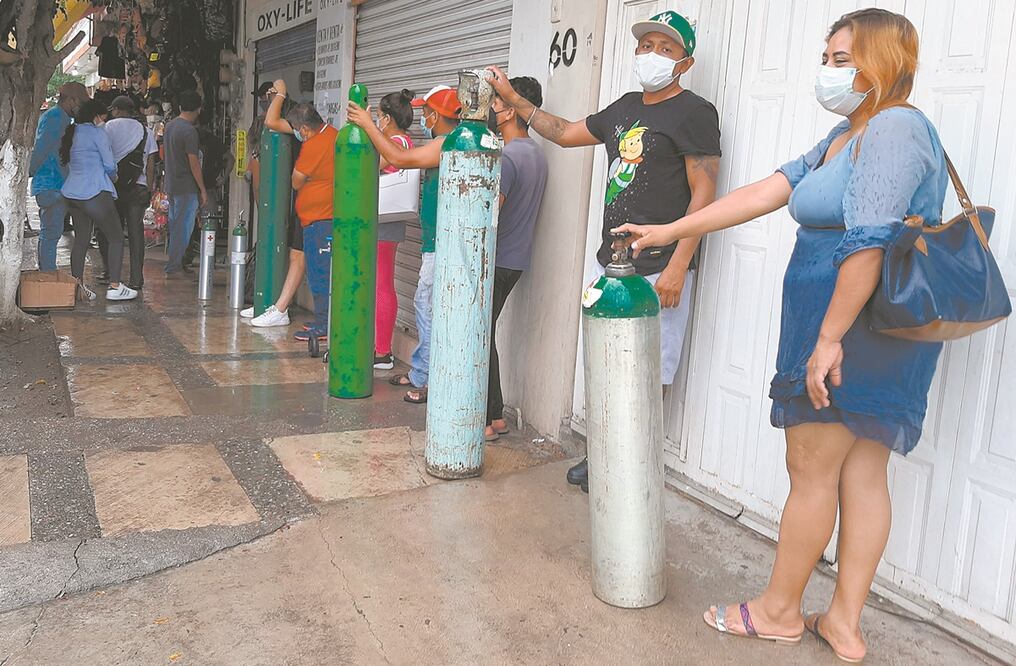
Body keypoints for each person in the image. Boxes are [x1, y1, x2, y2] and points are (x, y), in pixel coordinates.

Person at [616, 10, 946, 663]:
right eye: (827, 58)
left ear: (881, 60)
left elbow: (869, 243)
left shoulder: (893, 128)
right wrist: (669, 232)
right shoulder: (842, 137)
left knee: (813, 468)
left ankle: (778, 611)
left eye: (842, 58)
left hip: (853, 329)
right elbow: (767, 191)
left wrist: (828, 341)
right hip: (855, 327)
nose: (829, 70)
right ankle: (844, 623)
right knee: (860, 470)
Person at [489, 10, 720, 489]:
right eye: (646, 45)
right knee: (606, 366)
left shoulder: (695, 113)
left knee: (646, 377)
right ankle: (603, 457)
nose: (651, 54)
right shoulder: (624, 107)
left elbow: (704, 194)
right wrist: (513, 99)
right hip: (612, 264)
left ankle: (630, 473)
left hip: (659, 266)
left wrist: (680, 263)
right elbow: (565, 132)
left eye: (665, 48)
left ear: (685, 61)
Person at [347, 85, 461, 404]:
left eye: (426, 111)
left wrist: (368, 125)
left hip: (441, 244)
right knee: (424, 304)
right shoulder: (449, 142)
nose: (423, 117)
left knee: (426, 306)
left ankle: (428, 379)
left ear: (436, 115)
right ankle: (421, 372)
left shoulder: (445, 143)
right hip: (434, 241)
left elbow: (397, 158)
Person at [483, 76, 549, 441]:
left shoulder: (507, 157)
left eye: (494, 104)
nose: (490, 110)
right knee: (486, 333)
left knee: (478, 336)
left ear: (510, 110)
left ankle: (486, 421)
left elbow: (490, 213)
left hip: (496, 260)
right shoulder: (535, 153)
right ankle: (497, 416)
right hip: (517, 260)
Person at [240, 78, 308, 329]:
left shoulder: (287, 125)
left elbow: (271, 121)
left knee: (292, 252)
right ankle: (271, 304)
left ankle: (278, 306)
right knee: (286, 250)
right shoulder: (274, 129)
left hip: (299, 198)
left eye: (269, 96)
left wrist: (280, 91)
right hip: (287, 198)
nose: (266, 100)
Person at [59, 99, 138, 302]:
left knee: (81, 241)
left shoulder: (72, 131)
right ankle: (115, 286)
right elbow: (110, 164)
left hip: (72, 193)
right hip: (94, 191)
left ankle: (78, 288)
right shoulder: (97, 133)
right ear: (96, 116)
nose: (105, 120)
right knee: (116, 237)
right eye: (103, 117)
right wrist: (114, 176)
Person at [284, 102, 339, 341]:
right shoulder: (334, 134)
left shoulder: (314, 144)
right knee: (321, 272)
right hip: (319, 218)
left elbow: (296, 181)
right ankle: (322, 319)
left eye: (297, 129)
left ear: (304, 128)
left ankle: (324, 326)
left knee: (320, 275)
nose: (297, 134)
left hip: (321, 220)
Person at [372, 89, 417, 370]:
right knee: (380, 282)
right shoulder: (399, 140)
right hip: (385, 221)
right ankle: (379, 345)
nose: (377, 122)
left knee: (382, 283)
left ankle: (383, 351)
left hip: (385, 221)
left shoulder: (397, 142)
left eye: (378, 117)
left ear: (387, 118)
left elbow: (371, 166)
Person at [30, 82, 88, 271]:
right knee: (51, 233)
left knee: (50, 233)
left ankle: (47, 275)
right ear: (71, 100)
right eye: (80, 101)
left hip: (54, 184)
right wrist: (28, 172)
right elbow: (41, 148)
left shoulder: (59, 117)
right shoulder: (56, 117)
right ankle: (47, 277)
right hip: (52, 184)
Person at [105, 95, 158, 290]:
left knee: (113, 232)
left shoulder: (108, 128)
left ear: (117, 109)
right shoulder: (145, 131)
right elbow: (151, 162)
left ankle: (113, 275)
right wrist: (149, 187)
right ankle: (136, 278)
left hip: (114, 186)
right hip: (138, 186)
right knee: (136, 232)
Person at [162, 91, 207, 277]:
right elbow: (194, 163)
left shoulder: (170, 126)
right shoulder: (189, 131)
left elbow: (164, 154)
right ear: (199, 109)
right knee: (183, 228)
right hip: (186, 187)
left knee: (175, 226)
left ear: (180, 107)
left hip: (172, 184)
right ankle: (174, 267)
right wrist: (203, 189)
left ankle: (175, 264)